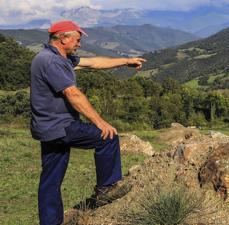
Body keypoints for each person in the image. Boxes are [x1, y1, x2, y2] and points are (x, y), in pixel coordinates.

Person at [30, 20, 146, 225]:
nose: (79, 43)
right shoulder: (52, 61)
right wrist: (100, 122)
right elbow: (73, 94)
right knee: (108, 136)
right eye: (77, 39)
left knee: (50, 180)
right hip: (60, 126)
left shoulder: (57, 57)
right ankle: (106, 189)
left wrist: (126, 61)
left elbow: (94, 63)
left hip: (47, 128)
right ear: (63, 38)